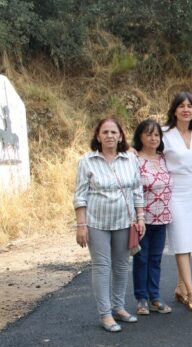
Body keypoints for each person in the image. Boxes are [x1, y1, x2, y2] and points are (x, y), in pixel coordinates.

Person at [74, 118, 145, 332]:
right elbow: (80, 196)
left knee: (122, 265)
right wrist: (81, 225)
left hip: (124, 221)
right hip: (97, 222)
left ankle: (119, 307)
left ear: (121, 135)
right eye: (105, 132)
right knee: (102, 267)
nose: (110, 136)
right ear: (98, 136)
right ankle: (105, 314)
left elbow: (136, 191)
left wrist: (140, 217)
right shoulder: (87, 161)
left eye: (114, 132)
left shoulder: (130, 159)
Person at [163, 92, 192, 313]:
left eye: (190, 106)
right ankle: (191, 292)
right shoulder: (164, 134)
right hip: (173, 192)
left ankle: (180, 286)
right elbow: (146, 151)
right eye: (181, 106)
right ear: (174, 110)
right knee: (180, 240)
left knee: (188, 241)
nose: (186, 109)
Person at [132, 119, 173, 315]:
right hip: (142, 218)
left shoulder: (164, 158)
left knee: (155, 259)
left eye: (156, 134)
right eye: (148, 134)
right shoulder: (133, 158)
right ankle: (141, 299)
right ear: (140, 136)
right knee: (142, 258)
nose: (153, 138)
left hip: (163, 216)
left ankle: (154, 296)